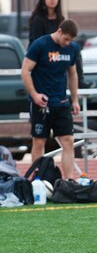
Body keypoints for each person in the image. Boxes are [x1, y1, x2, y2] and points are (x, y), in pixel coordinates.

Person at [21, 19, 80, 180]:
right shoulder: (40, 45)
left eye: (71, 40)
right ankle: (38, 179)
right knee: (39, 141)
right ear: (59, 31)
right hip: (41, 103)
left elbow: (72, 74)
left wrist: (74, 99)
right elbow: (25, 70)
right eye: (66, 39)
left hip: (61, 102)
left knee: (68, 140)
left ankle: (69, 182)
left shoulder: (72, 48)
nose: (67, 43)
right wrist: (35, 95)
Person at [28, 0, 95, 89]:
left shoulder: (61, 18)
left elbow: (65, 38)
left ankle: (80, 81)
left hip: (57, 50)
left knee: (75, 49)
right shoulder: (38, 19)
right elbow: (37, 43)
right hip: (41, 53)